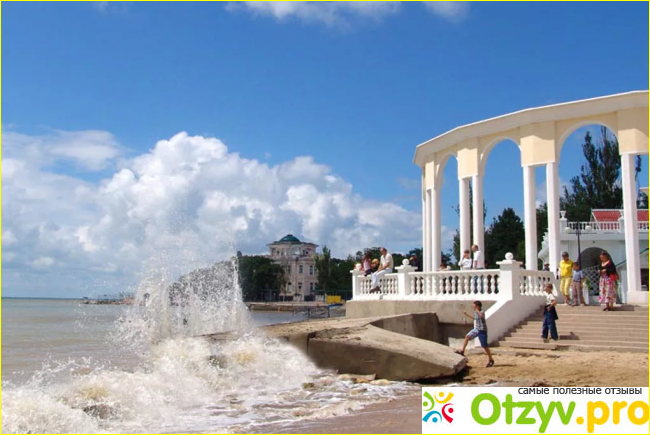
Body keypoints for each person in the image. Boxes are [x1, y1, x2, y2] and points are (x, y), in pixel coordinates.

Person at [454, 301, 494, 368]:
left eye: (474, 305)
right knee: (467, 337)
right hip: (477, 329)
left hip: (482, 330)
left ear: (477, 306)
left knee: (484, 346)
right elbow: (475, 318)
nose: (473, 307)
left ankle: (491, 359)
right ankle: (462, 351)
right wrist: (466, 314)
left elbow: (481, 316)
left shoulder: (482, 311)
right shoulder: (475, 312)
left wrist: (477, 310)